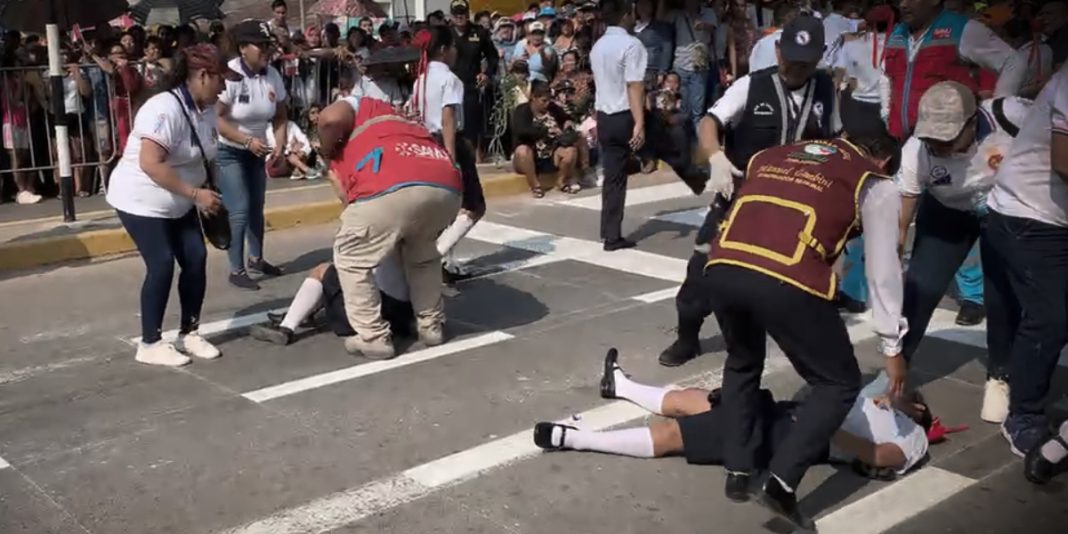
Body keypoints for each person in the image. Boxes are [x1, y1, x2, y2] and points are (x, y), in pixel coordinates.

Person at [703, 131, 905, 530]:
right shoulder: (874, 183)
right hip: (786, 276)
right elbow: (883, 270)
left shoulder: (772, 153)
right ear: (883, 162)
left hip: (723, 265)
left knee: (742, 361)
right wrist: (892, 345)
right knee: (838, 382)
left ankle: (738, 471)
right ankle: (780, 482)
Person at [659, 14, 840, 367]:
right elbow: (709, 122)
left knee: (789, 278)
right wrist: (716, 157)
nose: (796, 69)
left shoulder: (826, 90)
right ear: (778, 50)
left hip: (795, 207)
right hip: (740, 200)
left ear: (819, 57)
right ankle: (687, 336)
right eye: (790, 59)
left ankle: (788, 336)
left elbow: (835, 140)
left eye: (805, 63)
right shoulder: (751, 86)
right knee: (703, 270)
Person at [534, 349, 931, 478]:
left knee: (677, 434)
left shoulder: (913, 437)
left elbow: (881, 456)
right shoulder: (877, 398)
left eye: (911, 394)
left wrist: (820, 425)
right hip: (786, 411)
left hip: (798, 435)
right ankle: (620, 386)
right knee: (693, 399)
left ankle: (575, 438)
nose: (901, 389)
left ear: (921, 412)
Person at [895, 82, 1031, 424]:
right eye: (932, 139)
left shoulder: (1011, 115)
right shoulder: (916, 151)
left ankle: (1000, 376)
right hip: (947, 215)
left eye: (947, 138)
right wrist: (891, 255)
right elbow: (902, 218)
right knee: (920, 290)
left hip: (1005, 211)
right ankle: (897, 367)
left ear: (973, 122)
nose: (938, 146)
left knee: (1002, 294)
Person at [105, 44, 232, 367]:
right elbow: (151, 163)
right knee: (161, 263)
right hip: (141, 199)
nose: (224, 86)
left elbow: (206, 155)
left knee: (195, 257)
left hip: (180, 199)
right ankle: (149, 343)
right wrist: (195, 195)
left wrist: (206, 192)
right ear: (202, 76)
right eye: (221, 79)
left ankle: (190, 332)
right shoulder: (164, 108)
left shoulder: (207, 110)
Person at [315, 94, 462, 360]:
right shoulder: (401, 121)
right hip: (445, 186)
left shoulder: (359, 105)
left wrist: (326, 150)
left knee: (351, 257)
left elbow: (329, 118)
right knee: (423, 256)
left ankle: (373, 337)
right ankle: (431, 325)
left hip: (392, 186)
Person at [982, 63, 1068, 457]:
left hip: (1051, 214)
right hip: (1030, 213)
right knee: (1050, 317)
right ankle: (1023, 416)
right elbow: (1063, 161)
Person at [215, 20, 289, 290]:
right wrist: (246, 141)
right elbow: (217, 119)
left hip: (257, 152)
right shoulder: (231, 75)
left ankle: (256, 258)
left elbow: (280, 115)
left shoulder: (272, 75)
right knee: (239, 208)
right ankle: (236, 269)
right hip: (229, 151)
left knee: (257, 206)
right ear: (243, 48)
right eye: (260, 45)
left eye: (268, 45)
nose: (266, 50)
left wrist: (279, 144)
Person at [410, 27, 487, 282]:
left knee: (444, 210)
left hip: (425, 144)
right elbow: (448, 119)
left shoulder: (420, 80)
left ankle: (445, 263)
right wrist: (451, 158)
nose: (456, 51)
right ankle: (436, 256)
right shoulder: (450, 79)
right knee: (474, 206)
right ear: (443, 50)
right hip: (448, 143)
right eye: (453, 46)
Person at [882, 0, 1013, 140]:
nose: (903, 5)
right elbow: (886, 76)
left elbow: (1013, 63)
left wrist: (999, 109)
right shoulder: (897, 33)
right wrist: (886, 114)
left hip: (946, 140)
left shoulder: (963, 29)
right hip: (899, 138)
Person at [249, 257, 415, 346]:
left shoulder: (374, 224)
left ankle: (287, 327)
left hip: (374, 314)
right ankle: (305, 311)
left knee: (323, 271)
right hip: (406, 314)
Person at [590, 0, 646, 252]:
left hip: (605, 115)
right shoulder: (632, 44)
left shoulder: (598, 46)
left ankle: (610, 233)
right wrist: (640, 122)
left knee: (613, 176)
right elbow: (634, 85)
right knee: (618, 175)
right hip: (624, 114)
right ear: (625, 16)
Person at [449, 0, 499, 161]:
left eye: (462, 13)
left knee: (472, 123)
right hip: (449, 85)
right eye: (456, 14)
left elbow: (493, 57)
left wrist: (487, 74)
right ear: (451, 16)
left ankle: (475, 158)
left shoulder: (479, 32)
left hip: (471, 84)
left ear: (468, 14)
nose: (459, 17)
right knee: (451, 121)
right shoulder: (446, 34)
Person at [512, 81, 582, 196]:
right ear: (534, 98)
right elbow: (520, 131)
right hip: (530, 157)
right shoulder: (522, 110)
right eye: (544, 100)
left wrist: (567, 123)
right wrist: (546, 131)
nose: (547, 103)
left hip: (551, 154)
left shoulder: (553, 108)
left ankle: (561, 181)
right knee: (523, 150)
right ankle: (535, 186)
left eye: (549, 100)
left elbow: (566, 118)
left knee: (571, 151)